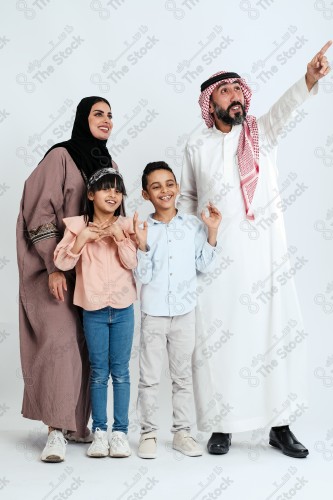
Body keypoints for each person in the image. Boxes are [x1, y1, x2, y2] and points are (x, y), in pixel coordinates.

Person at [177, 41, 332, 458]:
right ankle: (221, 426)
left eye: (237, 89)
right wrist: (199, 237)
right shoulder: (197, 145)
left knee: (273, 336)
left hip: (267, 258)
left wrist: (309, 79)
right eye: (224, 91)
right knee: (219, 342)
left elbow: (284, 109)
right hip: (220, 259)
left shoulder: (260, 134)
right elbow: (188, 198)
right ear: (211, 103)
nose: (234, 96)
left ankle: (280, 426)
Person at [16, 96, 117, 462]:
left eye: (110, 115)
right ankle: (55, 431)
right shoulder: (60, 156)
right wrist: (55, 266)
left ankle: (76, 425)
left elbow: (113, 217)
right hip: (53, 272)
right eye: (98, 113)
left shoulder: (108, 164)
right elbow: (38, 210)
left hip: (91, 275)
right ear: (82, 118)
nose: (106, 120)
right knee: (59, 342)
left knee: (86, 345)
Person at [133, 161, 222, 458]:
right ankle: (147, 434)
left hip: (184, 313)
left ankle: (182, 433)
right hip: (153, 314)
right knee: (149, 377)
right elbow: (142, 277)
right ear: (146, 194)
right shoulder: (143, 230)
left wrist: (211, 232)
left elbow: (204, 265)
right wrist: (143, 246)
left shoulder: (193, 226)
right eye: (156, 186)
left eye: (169, 184)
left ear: (177, 188)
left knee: (182, 377)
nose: (164, 190)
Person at [54, 168, 137, 458]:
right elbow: (62, 263)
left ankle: (121, 433)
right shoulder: (77, 226)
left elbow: (132, 262)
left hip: (124, 308)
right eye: (105, 189)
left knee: (122, 373)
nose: (112, 194)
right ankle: (99, 431)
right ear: (91, 195)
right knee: (99, 373)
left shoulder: (126, 225)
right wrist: (81, 240)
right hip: (93, 310)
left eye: (117, 190)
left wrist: (119, 237)